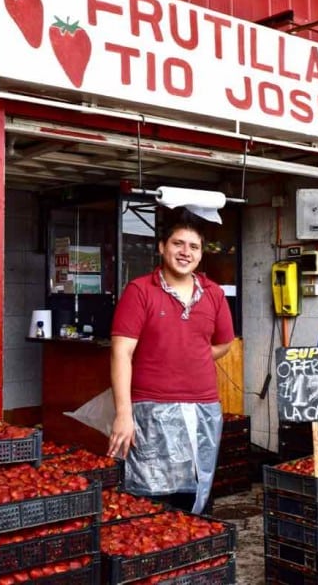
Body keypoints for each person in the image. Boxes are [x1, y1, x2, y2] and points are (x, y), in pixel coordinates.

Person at [107, 216, 235, 515]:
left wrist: (191, 358)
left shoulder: (214, 294)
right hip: (150, 410)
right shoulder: (139, 291)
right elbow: (121, 352)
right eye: (178, 243)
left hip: (203, 410)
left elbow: (224, 343)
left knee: (196, 491)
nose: (185, 252)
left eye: (194, 246)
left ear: (201, 254)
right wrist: (124, 414)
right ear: (162, 247)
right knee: (149, 496)